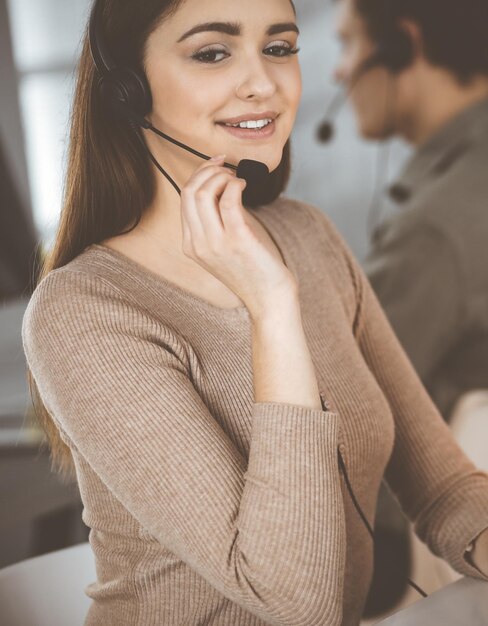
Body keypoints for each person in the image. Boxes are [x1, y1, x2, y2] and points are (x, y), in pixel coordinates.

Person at [21, 0, 488, 624]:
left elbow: (444, 489)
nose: (264, 84)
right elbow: (296, 603)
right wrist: (272, 308)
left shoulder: (307, 236)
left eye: (279, 48)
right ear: (127, 91)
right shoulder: (85, 312)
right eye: (213, 53)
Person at [333, 0, 488, 616]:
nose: (338, 73)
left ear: (401, 44)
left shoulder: (439, 226)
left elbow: (345, 389)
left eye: (348, 45)